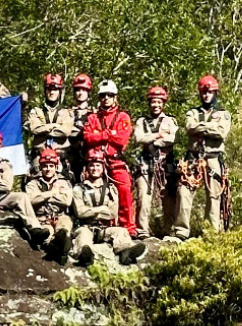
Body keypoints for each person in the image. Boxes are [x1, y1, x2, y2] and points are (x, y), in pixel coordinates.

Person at [173, 75, 232, 240]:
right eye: (204, 92)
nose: (206, 95)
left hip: (213, 159)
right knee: (183, 192)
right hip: (192, 159)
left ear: (215, 93)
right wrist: (210, 127)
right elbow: (189, 127)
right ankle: (181, 232)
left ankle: (211, 233)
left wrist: (202, 127)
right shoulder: (192, 112)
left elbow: (221, 132)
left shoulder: (223, 114)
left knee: (214, 196)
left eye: (210, 92)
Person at [72, 148, 147, 266]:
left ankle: (126, 252)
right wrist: (101, 209)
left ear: (102, 168)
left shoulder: (110, 189)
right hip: (86, 227)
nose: (94, 169)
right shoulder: (78, 189)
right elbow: (80, 212)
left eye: (98, 166)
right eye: (92, 166)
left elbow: (112, 213)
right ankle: (85, 256)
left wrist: (91, 211)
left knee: (121, 231)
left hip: (104, 229)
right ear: (87, 168)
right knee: (83, 236)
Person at [83, 80, 136, 237]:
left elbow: (122, 140)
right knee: (91, 191)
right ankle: (100, 225)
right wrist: (109, 134)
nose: (106, 98)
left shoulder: (123, 117)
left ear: (115, 97)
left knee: (125, 189)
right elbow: (87, 138)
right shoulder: (92, 117)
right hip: (96, 163)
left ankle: (128, 228)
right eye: (103, 95)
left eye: (110, 95)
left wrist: (99, 135)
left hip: (115, 162)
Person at [133, 86, 178, 239]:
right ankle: (142, 230)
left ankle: (169, 229)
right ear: (149, 103)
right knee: (143, 197)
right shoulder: (141, 121)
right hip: (146, 163)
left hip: (165, 163)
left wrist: (152, 139)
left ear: (163, 103)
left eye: (159, 102)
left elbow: (172, 139)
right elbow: (139, 138)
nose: (156, 105)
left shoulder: (170, 121)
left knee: (168, 197)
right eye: (153, 102)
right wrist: (159, 135)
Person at [25, 149, 74, 263]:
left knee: (64, 223)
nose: (48, 169)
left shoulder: (63, 182)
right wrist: (51, 193)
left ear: (56, 167)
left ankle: (62, 241)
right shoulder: (33, 184)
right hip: (42, 219)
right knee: (47, 232)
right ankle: (53, 247)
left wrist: (42, 197)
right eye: (45, 166)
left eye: (51, 166)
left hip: (59, 216)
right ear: (40, 167)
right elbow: (30, 199)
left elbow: (66, 201)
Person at [26, 74, 74, 177]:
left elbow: (65, 131)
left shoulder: (67, 112)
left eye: (55, 90)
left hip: (60, 158)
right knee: (36, 184)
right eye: (49, 89)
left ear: (59, 91)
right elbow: (35, 129)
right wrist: (55, 125)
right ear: (45, 90)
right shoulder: (36, 111)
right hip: (39, 159)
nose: (52, 92)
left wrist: (44, 128)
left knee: (63, 185)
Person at [67, 74, 94, 183]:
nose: (80, 93)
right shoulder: (67, 113)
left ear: (88, 92)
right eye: (78, 90)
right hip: (70, 156)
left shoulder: (94, 113)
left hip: (90, 156)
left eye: (84, 90)